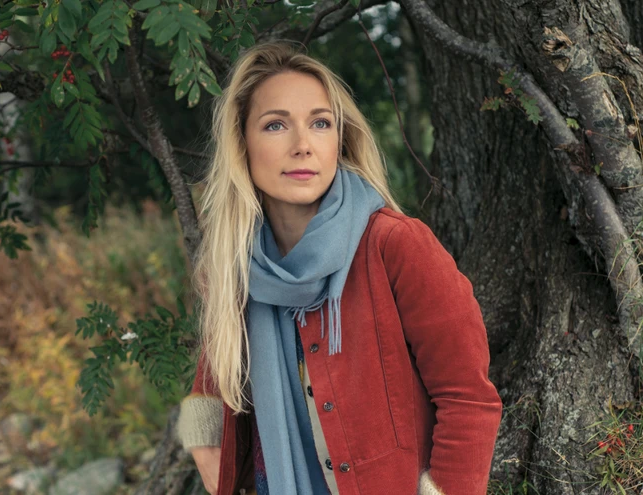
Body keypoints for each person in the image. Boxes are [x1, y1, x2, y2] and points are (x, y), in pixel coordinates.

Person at [174, 41, 503, 495]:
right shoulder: (239, 264)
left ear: (339, 140)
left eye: (320, 123)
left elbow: (468, 397)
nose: (302, 146)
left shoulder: (396, 245)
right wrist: (204, 445)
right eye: (275, 125)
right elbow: (216, 374)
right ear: (241, 144)